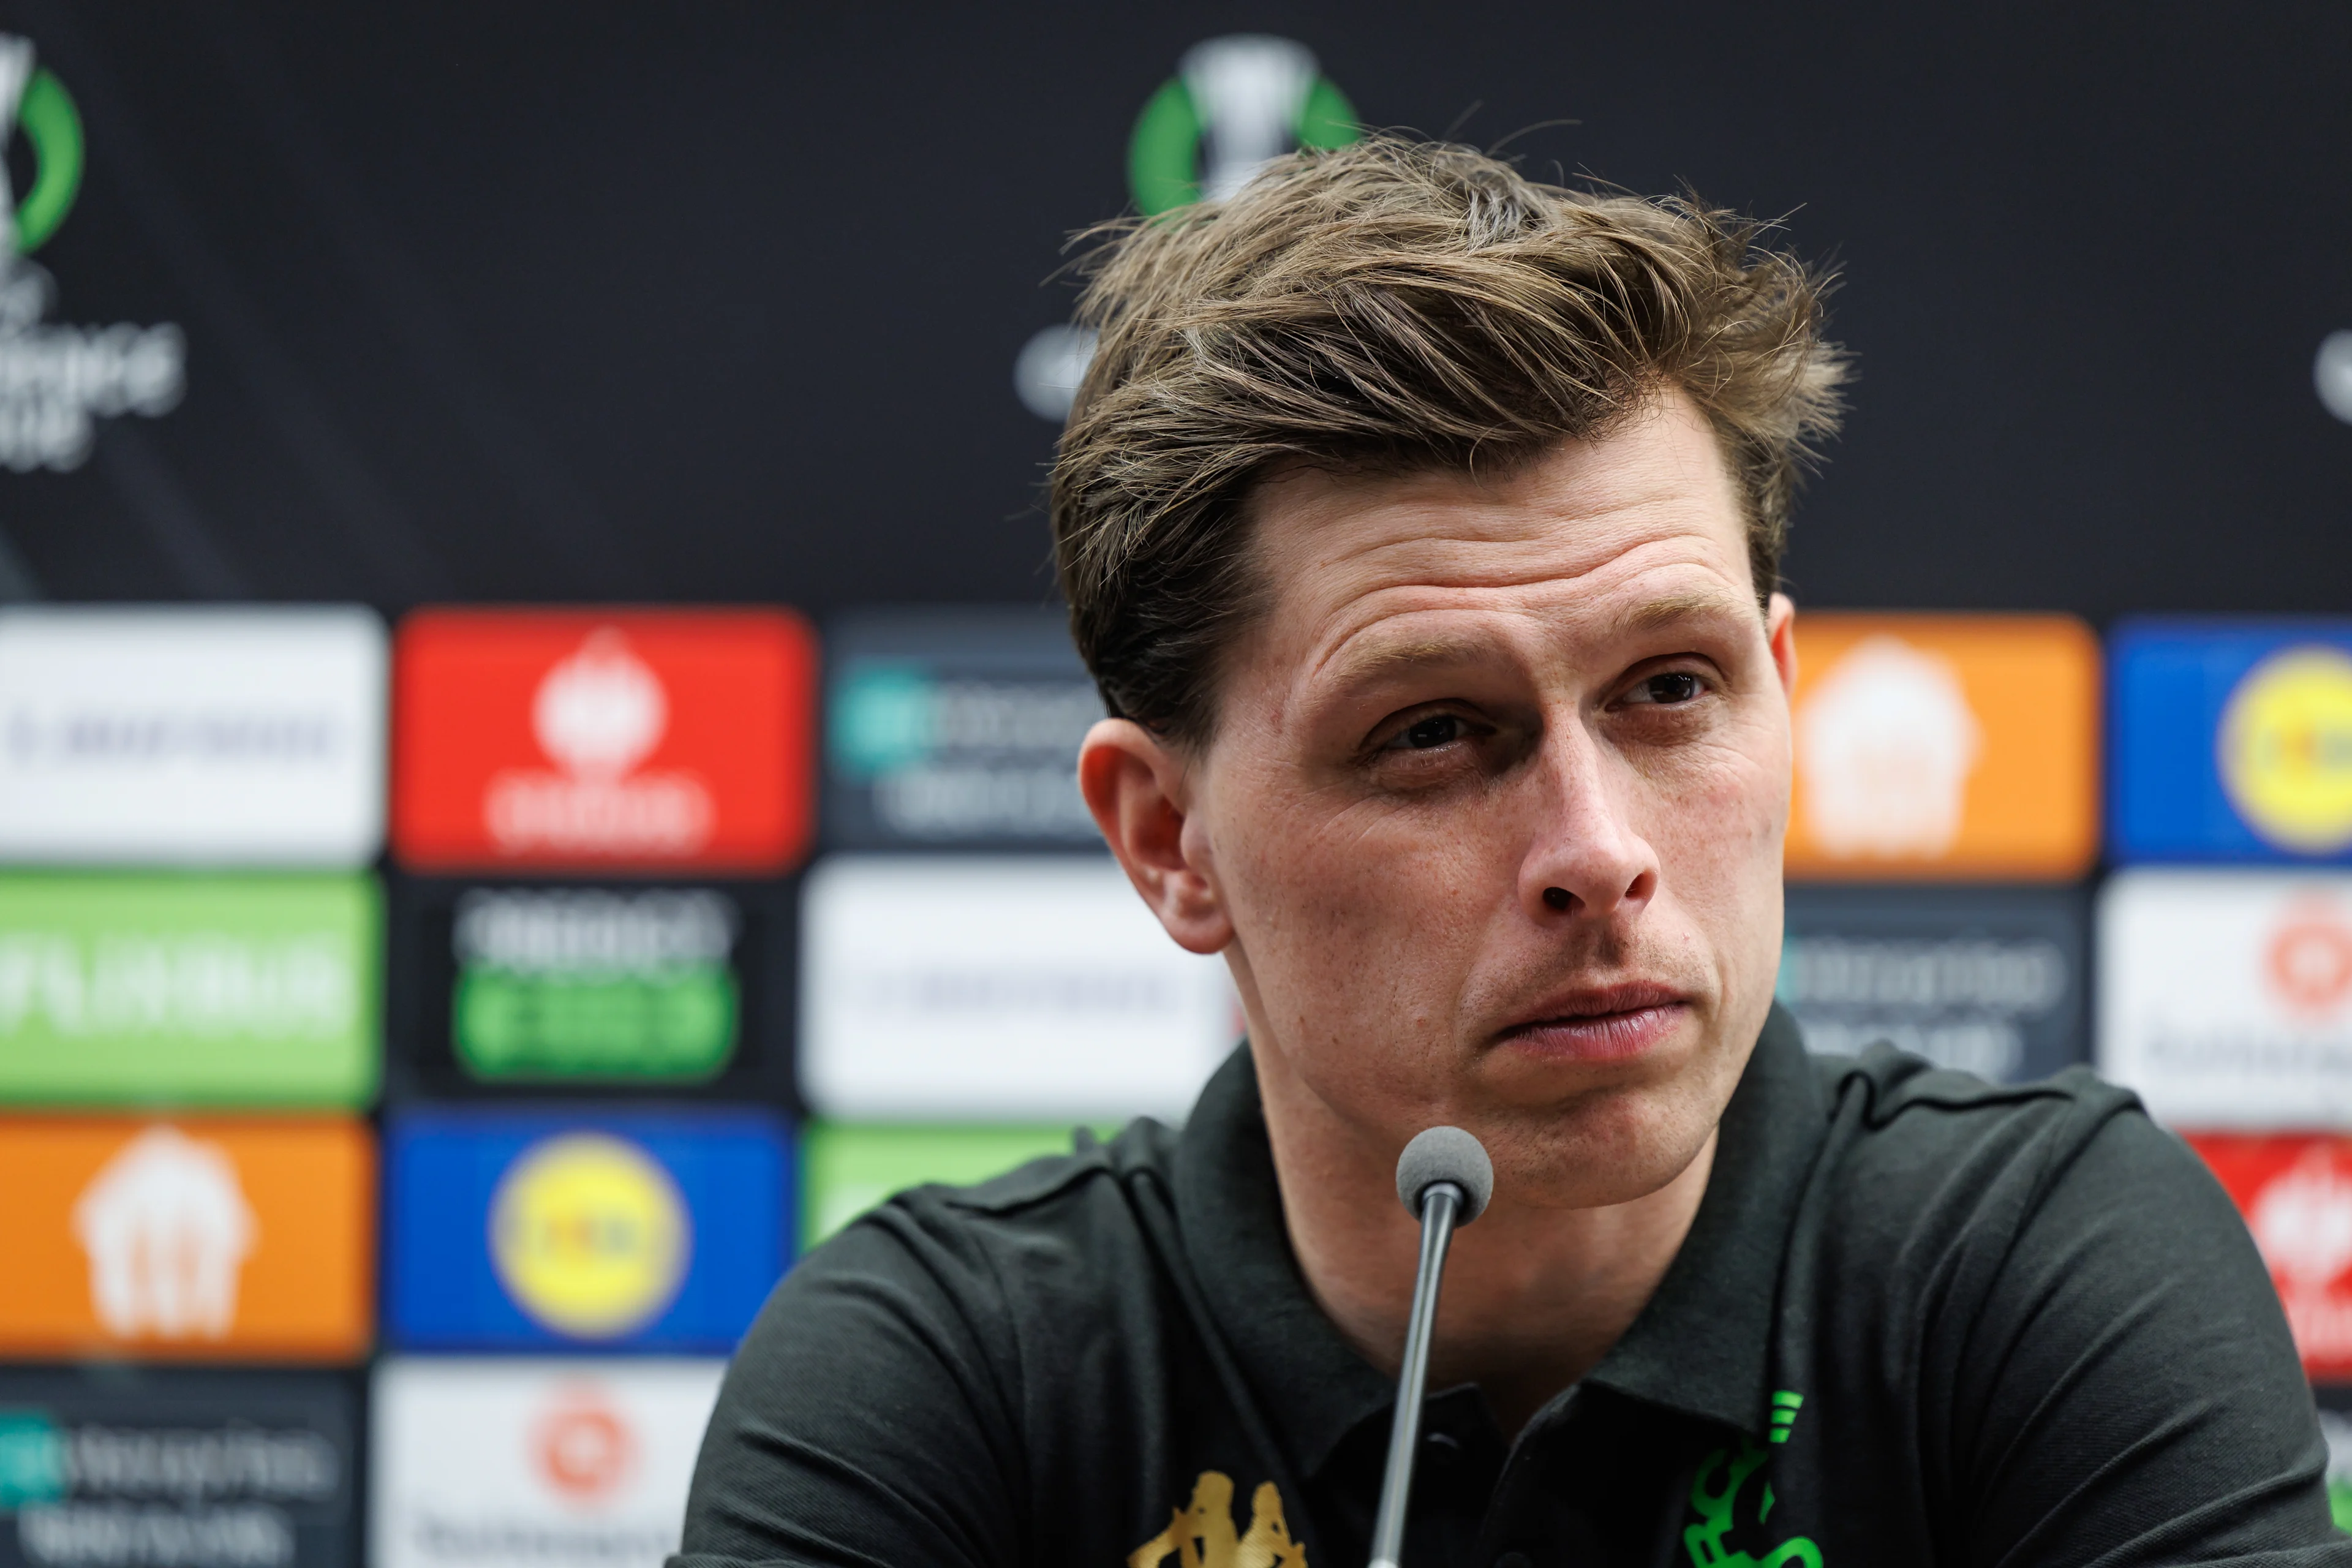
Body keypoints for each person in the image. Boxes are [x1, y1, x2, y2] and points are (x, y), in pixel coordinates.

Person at [675, 138, 2343, 1566]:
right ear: (1170, 840)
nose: (1598, 850)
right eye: (1432, 733)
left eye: (1670, 689)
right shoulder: (947, 1373)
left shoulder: (2035, 1265)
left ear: (1778, 692)